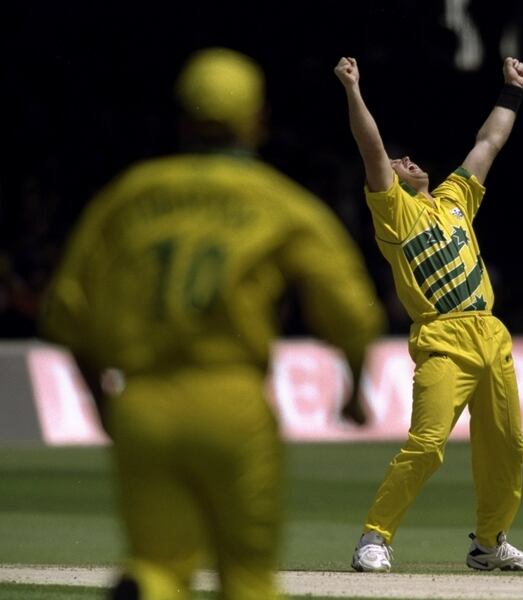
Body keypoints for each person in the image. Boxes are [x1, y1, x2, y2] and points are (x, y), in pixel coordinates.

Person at [39, 47, 386, 600]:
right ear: (257, 120)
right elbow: (352, 310)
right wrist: (354, 388)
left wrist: (101, 397)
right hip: (231, 403)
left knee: (158, 563)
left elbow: (65, 311)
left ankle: (147, 586)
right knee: (247, 579)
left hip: (145, 404)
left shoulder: (130, 195)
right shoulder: (281, 203)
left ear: (181, 118)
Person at [334, 55, 523, 573]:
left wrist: (511, 91)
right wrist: (353, 89)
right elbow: (372, 147)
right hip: (443, 339)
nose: (406, 161)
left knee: (507, 449)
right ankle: (374, 538)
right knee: (426, 444)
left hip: (491, 335)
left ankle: (490, 543)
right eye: (400, 164)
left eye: (409, 160)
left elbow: (488, 143)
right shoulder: (395, 214)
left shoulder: (454, 199)